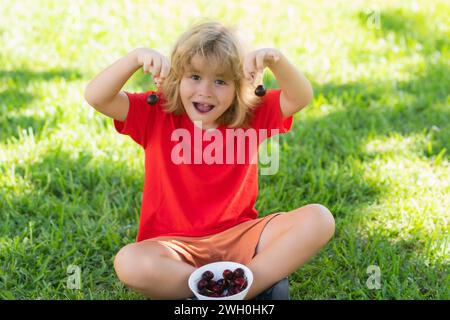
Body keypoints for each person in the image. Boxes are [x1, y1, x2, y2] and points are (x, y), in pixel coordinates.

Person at [84, 21, 335, 300]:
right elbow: (97, 97)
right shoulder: (157, 112)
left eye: (220, 81)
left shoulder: (252, 114)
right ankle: (233, 287)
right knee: (129, 263)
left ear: (240, 86)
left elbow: (301, 96)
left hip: (240, 236)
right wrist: (135, 57)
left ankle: (243, 285)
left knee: (319, 218)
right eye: (194, 77)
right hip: (173, 248)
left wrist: (275, 59)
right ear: (176, 77)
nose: (205, 91)